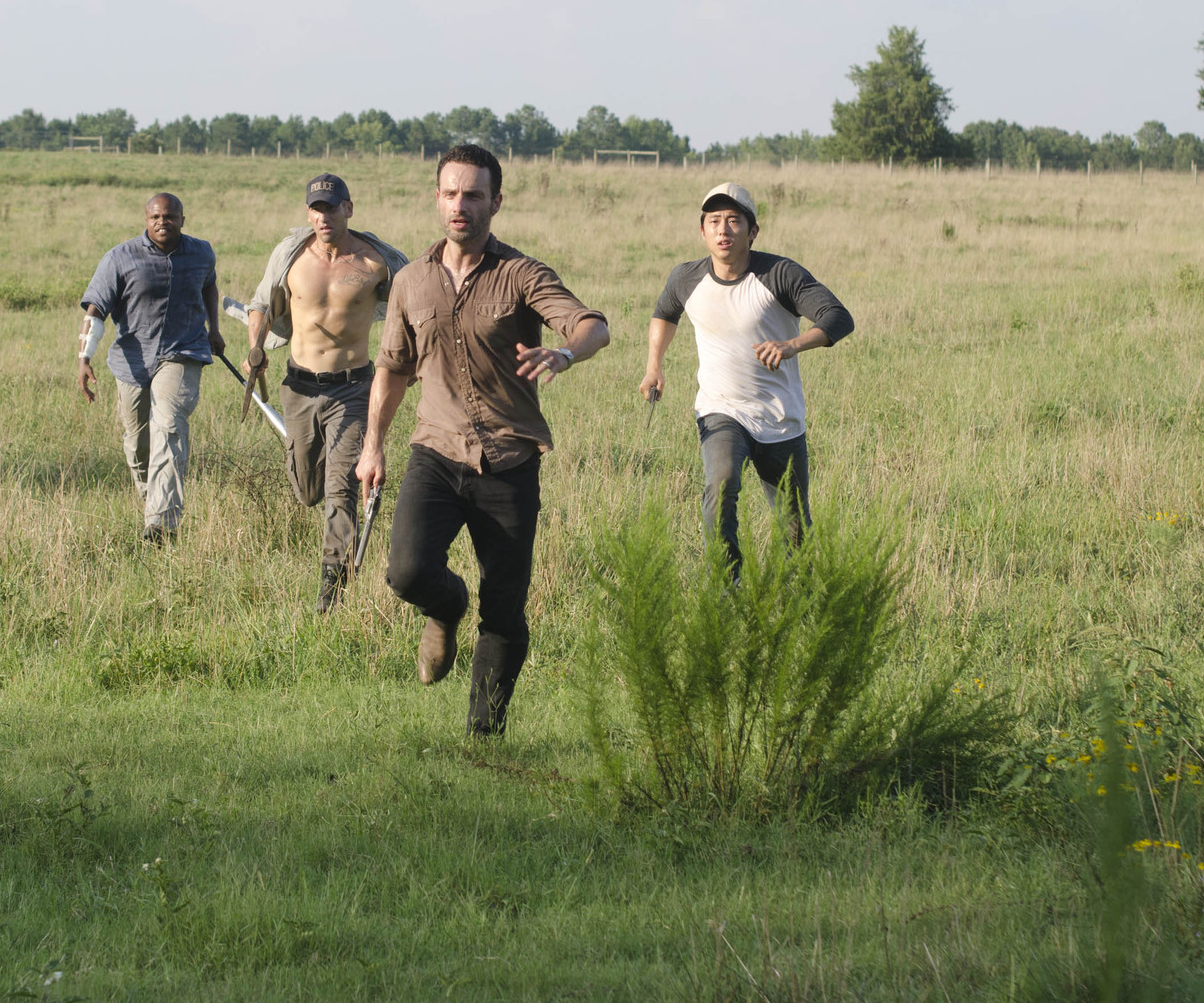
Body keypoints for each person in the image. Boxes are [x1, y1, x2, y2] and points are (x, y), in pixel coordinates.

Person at [356, 144, 609, 736]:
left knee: (505, 607)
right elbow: (392, 369)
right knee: (408, 573)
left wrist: (566, 351)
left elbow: (592, 324)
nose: (460, 206)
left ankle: (484, 735)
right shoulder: (411, 281)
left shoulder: (522, 274)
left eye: (473, 194)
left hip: (509, 462)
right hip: (435, 453)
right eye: (450, 193)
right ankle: (446, 607)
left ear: (496, 201)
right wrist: (373, 445)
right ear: (437, 198)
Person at [640, 181, 853, 575]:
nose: (723, 230)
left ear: (753, 232)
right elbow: (664, 314)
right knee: (720, 487)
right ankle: (728, 586)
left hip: (780, 418)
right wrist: (655, 365)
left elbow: (839, 318)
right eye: (714, 221)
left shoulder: (780, 274)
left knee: (794, 529)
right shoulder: (686, 278)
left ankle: (797, 603)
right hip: (721, 410)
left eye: (734, 221)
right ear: (702, 231)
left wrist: (793, 344)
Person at [244, 173, 410, 613]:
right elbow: (261, 303)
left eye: (331, 208)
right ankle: (309, 484)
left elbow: (413, 309)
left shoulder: (377, 262)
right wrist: (255, 347)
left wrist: (413, 363)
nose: (323, 217)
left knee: (342, 490)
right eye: (316, 209)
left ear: (349, 209)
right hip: (298, 386)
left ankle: (331, 592)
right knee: (307, 492)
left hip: (354, 390)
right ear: (308, 213)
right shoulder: (291, 256)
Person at [76, 192, 227, 544]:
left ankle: (162, 523)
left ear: (182, 220)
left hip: (183, 351)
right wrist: (84, 358)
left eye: (170, 217)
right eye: (156, 217)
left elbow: (209, 286)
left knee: (169, 428)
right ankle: (152, 503)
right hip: (133, 359)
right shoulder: (120, 258)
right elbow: (95, 310)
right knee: (138, 444)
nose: (163, 222)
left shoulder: (201, 252)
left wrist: (214, 329)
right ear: (146, 220)